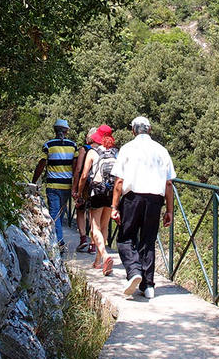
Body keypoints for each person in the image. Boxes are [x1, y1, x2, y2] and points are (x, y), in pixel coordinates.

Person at [111, 116, 175, 299]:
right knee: (148, 240)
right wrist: (169, 210)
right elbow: (168, 184)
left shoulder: (127, 149)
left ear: (133, 130)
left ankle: (133, 271)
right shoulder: (162, 150)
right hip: (155, 200)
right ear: (150, 129)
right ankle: (148, 287)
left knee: (125, 238)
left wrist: (114, 206)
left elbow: (119, 181)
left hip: (132, 198)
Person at [76, 124, 118, 276]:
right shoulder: (115, 152)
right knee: (105, 226)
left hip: (97, 191)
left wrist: (80, 193)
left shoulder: (92, 152)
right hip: (112, 191)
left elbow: (84, 175)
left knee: (94, 227)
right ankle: (98, 261)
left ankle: (105, 256)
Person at [32, 119, 77, 253]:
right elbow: (75, 167)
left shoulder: (48, 145)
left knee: (54, 215)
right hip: (67, 186)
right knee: (60, 215)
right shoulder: (73, 146)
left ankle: (59, 242)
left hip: (52, 185)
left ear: (55, 130)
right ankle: (59, 240)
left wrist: (34, 180)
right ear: (66, 131)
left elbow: (41, 164)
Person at [72, 128, 96, 252]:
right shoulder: (102, 150)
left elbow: (78, 169)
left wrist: (75, 188)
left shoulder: (84, 149)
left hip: (84, 184)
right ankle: (93, 244)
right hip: (97, 186)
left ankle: (83, 238)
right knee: (93, 213)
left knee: (80, 210)